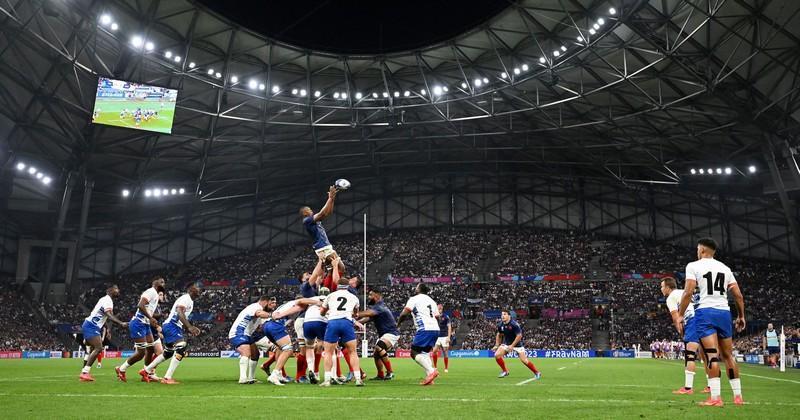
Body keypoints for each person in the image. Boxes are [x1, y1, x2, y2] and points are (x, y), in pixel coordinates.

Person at [679, 237, 746, 407]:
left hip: (705, 313)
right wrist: (741, 316)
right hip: (724, 313)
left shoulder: (693, 266)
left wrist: (680, 315)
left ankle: (715, 398)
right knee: (728, 356)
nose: (697, 251)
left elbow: (688, 292)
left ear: (702, 250)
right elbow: (738, 295)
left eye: (697, 249)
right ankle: (738, 397)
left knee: (711, 354)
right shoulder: (725, 268)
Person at [140, 285, 202, 384]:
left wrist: (189, 327)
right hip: (171, 326)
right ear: (190, 290)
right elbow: (179, 311)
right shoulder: (186, 298)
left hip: (172, 326)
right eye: (196, 289)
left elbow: (181, 316)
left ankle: (146, 371)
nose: (199, 291)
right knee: (181, 347)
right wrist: (189, 327)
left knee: (168, 353)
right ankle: (167, 378)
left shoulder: (190, 301)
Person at [660, 277, 711, 395]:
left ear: (668, 287)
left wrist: (681, 332)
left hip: (692, 321)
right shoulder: (684, 292)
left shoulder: (671, 297)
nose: (661, 289)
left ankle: (688, 388)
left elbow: (676, 317)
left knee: (690, 354)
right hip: (704, 319)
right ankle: (711, 386)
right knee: (705, 355)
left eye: (662, 287)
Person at [261, 296, 322, 386]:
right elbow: (300, 302)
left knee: (280, 349)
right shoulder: (299, 304)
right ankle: (274, 374)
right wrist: (317, 302)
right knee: (288, 349)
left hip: (267, 325)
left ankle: (279, 375)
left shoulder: (287, 305)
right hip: (276, 324)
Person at [115, 277, 165, 382]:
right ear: (155, 282)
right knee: (141, 353)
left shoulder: (155, 295)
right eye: (162, 282)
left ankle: (146, 373)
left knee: (151, 349)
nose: (163, 284)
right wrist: (151, 318)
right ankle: (121, 369)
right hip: (138, 323)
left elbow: (148, 309)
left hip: (145, 324)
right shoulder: (151, 292)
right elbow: (140, 305)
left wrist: (153, 321)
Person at [319, 277, 363, 387]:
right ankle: (358, 378)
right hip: (346, 323)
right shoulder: (354, 297)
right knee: (353, 352)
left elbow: (322, 312)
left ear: (337, 286)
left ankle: (327, 380)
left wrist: (328, 312)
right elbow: (356, 314)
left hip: (333, 322)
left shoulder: (330, 296)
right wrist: (353, 314)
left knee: (328, 352)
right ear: (347, 286)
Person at [79, 285, 127, 382]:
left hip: (91, 325)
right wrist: (120, 323)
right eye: (116, 289)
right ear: (110, 290)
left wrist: (107, 329)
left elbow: (103, 316)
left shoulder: (105, 300)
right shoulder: (107, 300)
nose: (118, 290)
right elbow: (109, 315)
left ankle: (84, 372)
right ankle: (84, 373)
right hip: (91, 326)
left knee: (92, 349)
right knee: (98, 348)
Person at [398, 283, 440, 386]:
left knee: (414, 352)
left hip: (425, 328)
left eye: (416, 287)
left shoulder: (414, 299)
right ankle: (430, 377)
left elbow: (404, 313)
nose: (415, 288)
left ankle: (432, 371)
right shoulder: (432, 301)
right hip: (435, 328)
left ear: (419, 289)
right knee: (424, 352)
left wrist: (398, 324)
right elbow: (437, 317)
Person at [228, 296, 275, 384]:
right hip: (238, 332)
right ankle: (242, 378)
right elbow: (259, 313)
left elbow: (260, 324)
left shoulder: (258, 309)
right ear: (265, 302)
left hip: (247, 334)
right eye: (269, 304)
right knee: (246, 352)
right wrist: (272, 315)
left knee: (255, 354)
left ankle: (251, 378)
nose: (270, 306)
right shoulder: (256, 307)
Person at [299, 186, 342, 283]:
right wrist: (330, 198)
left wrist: (332, 199)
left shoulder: (314, 220)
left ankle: (330, 287)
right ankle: (336, 287)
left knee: (335, 270)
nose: (311, 210)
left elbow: (328, 212)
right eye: (309, 209)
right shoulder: (307, 220)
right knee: (340, 268)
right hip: (322, 247)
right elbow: (322, 213)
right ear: (305, 212)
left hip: (325, 246)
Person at [357, 289, 399, 381]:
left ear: (377, 296)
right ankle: (380, 375)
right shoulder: (378, 307)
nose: (369, 297)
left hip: (391, 333)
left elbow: (369, 313)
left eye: (370, 295)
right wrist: (357, 323)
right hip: (385, 334)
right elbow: (368, 318)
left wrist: (355, 314)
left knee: (379, 347)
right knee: (376, 354)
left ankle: (390, 372)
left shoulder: (379, 307)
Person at [493, 310, 540, 379]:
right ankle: (505, 371)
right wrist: (497, 345)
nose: (502, 316)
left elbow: (519, 336)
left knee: (524, 360)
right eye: (502, 314)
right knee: (497, 355)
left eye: (505, 314)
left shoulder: (514, 324)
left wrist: (512, 346)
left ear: (509, 316)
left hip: (517, 345)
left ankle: (537, 372)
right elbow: (499, 334)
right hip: (507, 344)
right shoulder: (500, 325)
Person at [303, 287, 330, 384]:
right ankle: (323, 373)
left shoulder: (312, 298)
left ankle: (311, 369)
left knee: (309, 347)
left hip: (307, 321)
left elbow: (301, 301)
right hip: (321, 321)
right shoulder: (330, 299)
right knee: (323, 345)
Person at [432, 304, 451, 373]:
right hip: (437, 336)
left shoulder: (446, 317)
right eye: (438, 308)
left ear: (442, 309)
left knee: (445, 352)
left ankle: (446, 368)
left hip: (444, 336)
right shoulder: (434, 317)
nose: (439, 309)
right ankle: (435, 367)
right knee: (434, 351)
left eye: (440, 308)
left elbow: (449, 327)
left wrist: (448, 337)